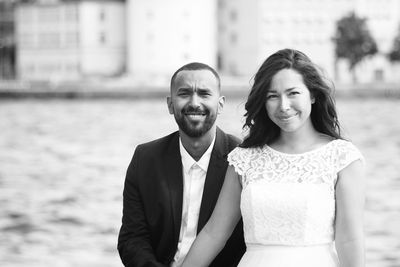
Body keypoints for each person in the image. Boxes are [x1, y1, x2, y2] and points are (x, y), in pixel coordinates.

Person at [182, 49, 366, 267]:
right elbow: (215, 233)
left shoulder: (342, 157)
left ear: (313, 94)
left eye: (293, 93)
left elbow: (349, 240)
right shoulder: (244, 158)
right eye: (272, 96)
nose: (283, 106)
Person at [117, 62, 245, 267]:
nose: (195, 102)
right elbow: (132, 239)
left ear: (220, 104)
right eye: (184, 93)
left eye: (204, 94)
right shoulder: (146, 158)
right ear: (170, 104)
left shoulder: (242, 158)